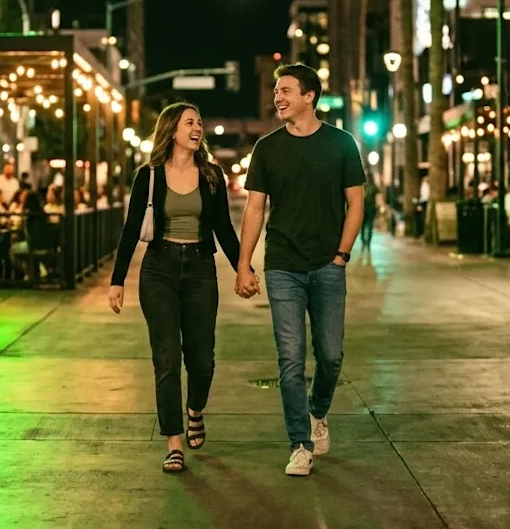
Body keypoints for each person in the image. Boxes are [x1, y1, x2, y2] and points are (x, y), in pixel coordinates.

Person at [237, 63, 365, 477]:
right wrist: (245, 265)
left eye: (287, 90)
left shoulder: (342, 144)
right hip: (283, 267)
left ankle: (318, 411)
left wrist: (341, 255)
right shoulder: (267, 149)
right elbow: (255, 209)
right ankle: (299, 444)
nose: (279, 97)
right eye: (277, 91)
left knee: (330, 356)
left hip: (329, 265)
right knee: (290, 360)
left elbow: (356, 204)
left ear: (310, 96)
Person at [108, 102, 243, 474]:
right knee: (166, 359)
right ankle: (173, 442)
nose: (197, 127)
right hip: (159, 271)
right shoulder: (148, 176)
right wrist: (117, 280)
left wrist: (242, 269)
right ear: (171, 130)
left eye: (199, 122)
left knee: (202, 360)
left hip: (200, 269)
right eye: (189, 122)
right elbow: (132, 228)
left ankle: (195, 410)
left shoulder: (211, 175)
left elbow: (224, 231)